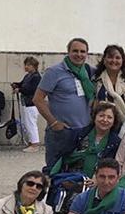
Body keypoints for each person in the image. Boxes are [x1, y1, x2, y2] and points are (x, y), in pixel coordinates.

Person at [34, 38, 95, 171]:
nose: (79, 54)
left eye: (82, 51)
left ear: (87, 54)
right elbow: (38, 99)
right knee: (55, 169)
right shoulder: (54, 72)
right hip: (62, 132)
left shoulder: (90, 72)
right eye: (75, 51)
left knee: (81, 171)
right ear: (68, 52)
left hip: (84, 131)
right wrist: (54, 123)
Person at [50, 101, 122, 178]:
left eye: (109, 117)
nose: (105, 120)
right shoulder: (78, 134)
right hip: (71, 177)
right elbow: (61, 156)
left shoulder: (115, 142)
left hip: (99, 181)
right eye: (101, 116)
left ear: (114, 121)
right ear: (94, 117)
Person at [92, 44, 125, 137]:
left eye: (117, 58)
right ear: (104, 60)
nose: (114, 61)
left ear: (122, 60)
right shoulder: (96, 79)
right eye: (110, 57)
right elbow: (95, 103)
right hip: (104, 125)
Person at [12, 56, 42, 151]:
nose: (26, 67)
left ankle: (35, 144)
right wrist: (16, 85)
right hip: (25, 102)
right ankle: (31, 141)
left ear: (34, 66)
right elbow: (22, 84)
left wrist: (19, 89)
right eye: (25, 65)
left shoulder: (37, 77)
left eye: (28, 65)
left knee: (31, 123)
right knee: (26, 123)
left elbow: (31, 89)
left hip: (32, 103)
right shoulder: (28, 76)